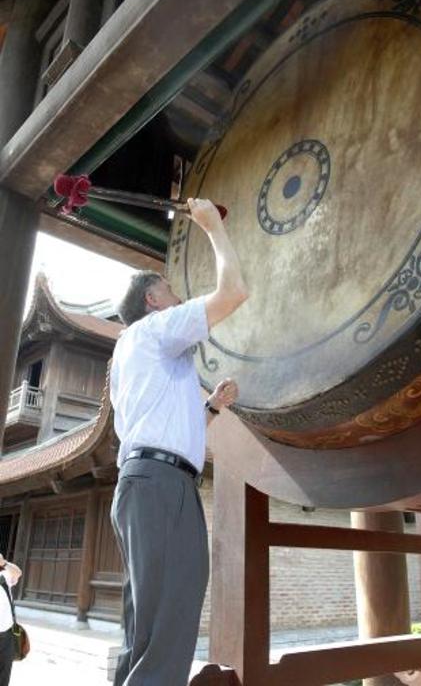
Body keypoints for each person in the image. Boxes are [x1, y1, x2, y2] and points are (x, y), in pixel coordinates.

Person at [110, 198, 248, 686]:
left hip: (144, 482)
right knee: (169, 624)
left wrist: (210, 408)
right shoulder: (154, 330)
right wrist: (212, 227)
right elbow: (233, 292)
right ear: (151, 301)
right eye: (168, 289)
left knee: (145, 633)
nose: (176, 296)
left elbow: (156, 429)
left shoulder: (133, 354)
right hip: (161, 486)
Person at [0, 554, 22, 686]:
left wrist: (5, 563)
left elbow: (18, 573)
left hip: (7, 632)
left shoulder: (4, 575)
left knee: (4, 673)